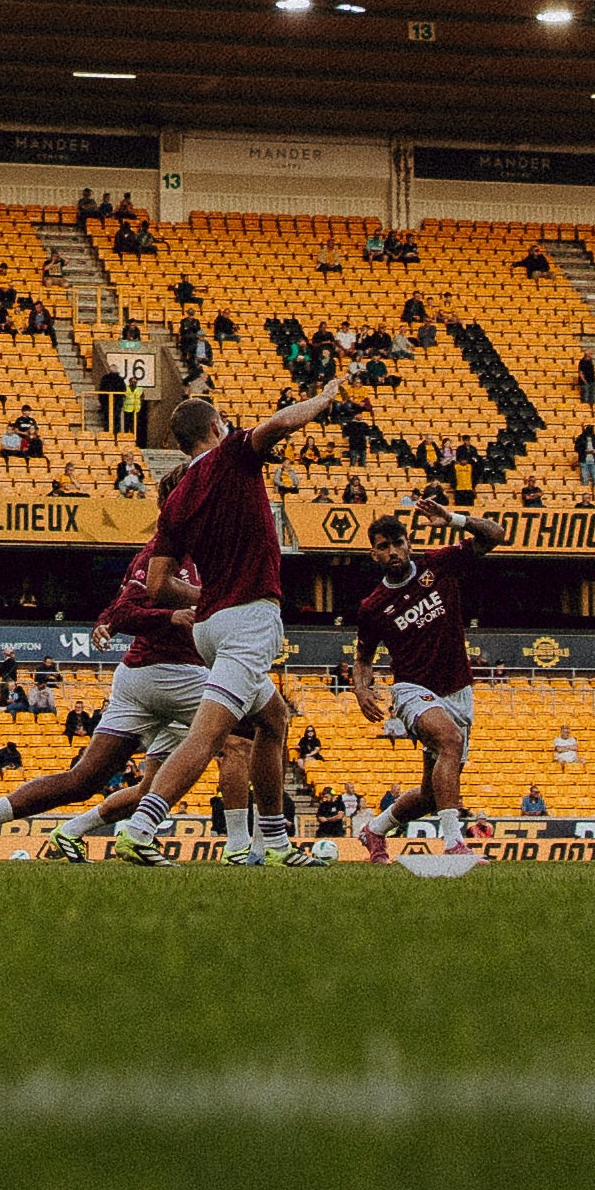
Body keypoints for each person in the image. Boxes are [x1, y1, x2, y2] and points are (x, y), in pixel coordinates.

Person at [108, 366, 369, 864]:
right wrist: (325, 395)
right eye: (224, 423)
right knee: (210, 734)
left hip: (209, 626)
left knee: (274, 718)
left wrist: (201, 598)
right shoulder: (228, 457)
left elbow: (160, 586)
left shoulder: (177, 499)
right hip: (247, 617)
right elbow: (280, 424)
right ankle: (140, 830)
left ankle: (274, 843)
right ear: (215, 427)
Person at [0, 539, 208, 861]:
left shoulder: (208, 552)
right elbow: (123, 609)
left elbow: (117, 610)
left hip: (169, 678)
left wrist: (107, 622)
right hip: (170, 675)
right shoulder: (160, 553)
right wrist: (157, 618)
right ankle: (251, 845)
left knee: (94, 782)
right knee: (249, 730)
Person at [339, 489, 505, 845]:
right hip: (413, 690)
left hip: (458, 690)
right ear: (374, 554)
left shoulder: (438, 564)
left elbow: (495, 535)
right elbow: (363, 657)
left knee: (431, 795)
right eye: (383, 547)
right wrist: (361, 688)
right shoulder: (373, 606)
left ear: (409, 543)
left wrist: (454, 519)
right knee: (449, 740)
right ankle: (453, 842)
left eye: (397, 543)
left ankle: (374, 830)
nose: (393, 551)